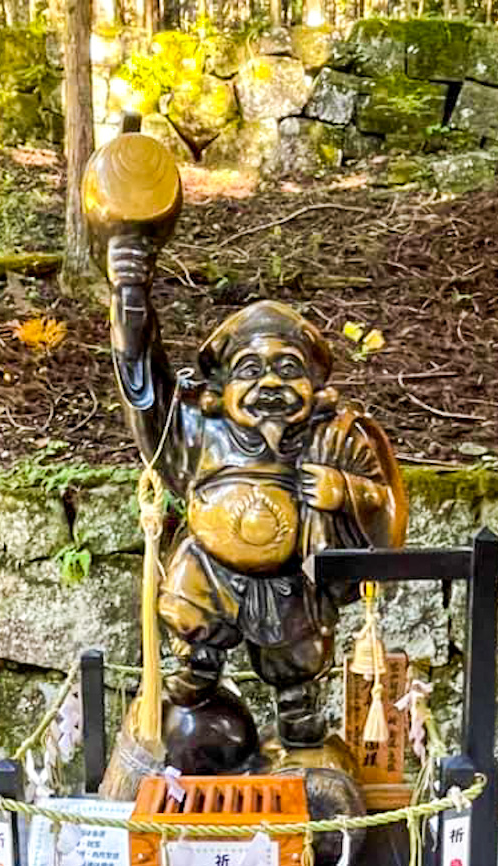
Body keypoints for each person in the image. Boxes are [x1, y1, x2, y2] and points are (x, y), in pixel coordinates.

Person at [106, 235, 405, 748]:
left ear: (314, 386)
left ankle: (296, 707)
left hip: (291, 575)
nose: (270, 384)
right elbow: (144, 390)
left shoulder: (330, 437)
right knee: (189, 606)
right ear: (222, 388)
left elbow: (383, 498)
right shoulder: (199, 430)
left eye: (288, 370)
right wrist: (130, 297)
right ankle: (199, 666)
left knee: (297, 654)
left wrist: (342, 491)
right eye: (250, 370)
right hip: (211, 564)